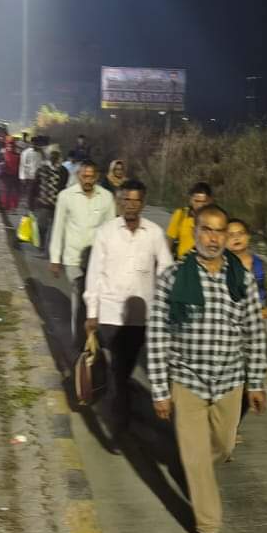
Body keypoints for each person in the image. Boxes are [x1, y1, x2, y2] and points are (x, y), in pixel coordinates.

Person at [147, 204, 267, 533]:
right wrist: (160, 389)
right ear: (195, 232)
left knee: (223, 447)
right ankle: (207, 528)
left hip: (230, 380)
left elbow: (254, 331)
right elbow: (157, 335)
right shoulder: (173, 277)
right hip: (188, 380)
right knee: (197, 459)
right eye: (206, 230)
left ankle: (197, 465)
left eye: (219, 232)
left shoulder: (240, 278)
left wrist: (256, 381)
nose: (212, 238)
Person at [83, 179, 173, 445]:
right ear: (119, 202)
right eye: (126, 200)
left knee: (123, 371)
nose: (131, 206)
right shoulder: (105, 233)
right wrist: (92, 312)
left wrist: (167, 308)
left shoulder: (155, 233)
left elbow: (166, 271)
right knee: (118, 372)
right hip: (110, 313)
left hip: (141, 317)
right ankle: (117, 428)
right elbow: (94, 274)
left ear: (143, 203)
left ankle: (119, 412)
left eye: (136, 201)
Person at [50, 160, 115, 347]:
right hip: (74, 258)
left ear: (97, 177)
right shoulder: (66, 196)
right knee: (80, 297)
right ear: (78, 175)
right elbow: (58, 228)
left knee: (95, 299)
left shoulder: (106, 198)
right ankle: (79, 340)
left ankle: (93, 337)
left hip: (97, 258)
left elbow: (111, 230)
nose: (87, 180)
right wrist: (55, 259)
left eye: (91, 176)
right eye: (84, 176)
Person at [225, 219, 267, 320]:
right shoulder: (217, 267)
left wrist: (263, 313)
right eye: (230, 235)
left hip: (253, 327)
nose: (236, 238)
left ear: (248, 236)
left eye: (241, 233)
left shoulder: (262, 268)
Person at [166, 182, 214, 258]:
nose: (200, 205)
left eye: (204, 202)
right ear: (191, 200)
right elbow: (169, 242)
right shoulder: (180, 215)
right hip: (183, 264)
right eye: (197, 201)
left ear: (210, 201)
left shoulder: (216, 218)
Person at [34, 146, 66, 254]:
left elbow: (65, 188)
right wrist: (31, 201)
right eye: (52, 154)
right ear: (48, 156)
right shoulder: (42, 169)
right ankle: (42, 245)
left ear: (59, 156)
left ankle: (50, 250)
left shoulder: (63, 171)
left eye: (56, 154)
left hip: (58, 204)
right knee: (42, 226)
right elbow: (35, 185)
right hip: (44, 203)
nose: (53, 156)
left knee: (55, 229)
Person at [18, 135, 48, 215]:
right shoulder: (26, 152)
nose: (36, 145)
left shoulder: (41, 152)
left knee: (38, 193)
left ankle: (37, 208)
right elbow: (22, 165)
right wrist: (23, 177)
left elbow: (44, 162)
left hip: (40, 176)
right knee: (30, 193)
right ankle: (30, 210)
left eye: (38, 144)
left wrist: (43, 154)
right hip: (29, 177)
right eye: (35, 143)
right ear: (32, 143)